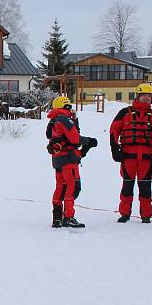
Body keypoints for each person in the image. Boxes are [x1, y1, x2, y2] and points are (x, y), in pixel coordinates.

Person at [109, 83, 152, 223]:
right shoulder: (124, 112)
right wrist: (115, 150)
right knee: (127, 186)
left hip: (146, 158)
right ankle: (125, 213)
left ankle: (146, 215)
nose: (147, 98)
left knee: (145, 187)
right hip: (128, 156)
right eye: (144, 95)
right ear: (138, 96)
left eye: (149, 95)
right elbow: (114, 130)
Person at [46, 95, 98, 228]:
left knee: (60, 188)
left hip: (58, 160)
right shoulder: (64, 119)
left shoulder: (54, 120)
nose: (71, 110)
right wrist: (90, 141)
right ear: (65, 107)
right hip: (68, 160)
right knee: (73, 188)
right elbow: (75, 138)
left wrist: (75, 120)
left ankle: (57, 218)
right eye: (70, 107)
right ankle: (68, 217)